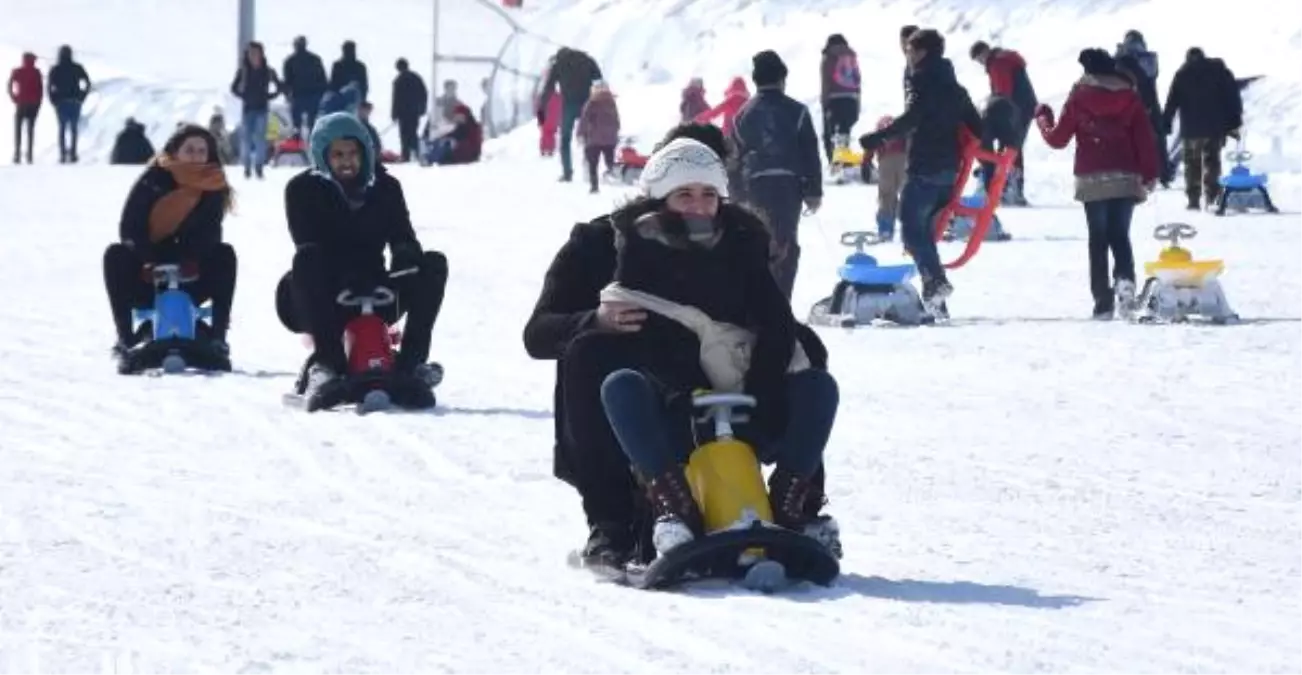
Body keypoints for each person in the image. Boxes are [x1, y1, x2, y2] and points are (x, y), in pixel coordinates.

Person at [522, 121, 836, 569]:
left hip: (728, 397)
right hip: (646, 402)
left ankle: (798, 499)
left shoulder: (736, 242)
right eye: (683, 191)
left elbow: (773, 325)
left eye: (709, 191)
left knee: (801, 344)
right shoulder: (599, 244)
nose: (698, 205)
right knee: (588, 351)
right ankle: (611, 521)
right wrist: (593, 319)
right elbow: (538, 334)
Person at [274, 112, 448, 411]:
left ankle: (411, 363)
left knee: (433, 263)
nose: (347, 161)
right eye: (338, 154)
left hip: (376, 290)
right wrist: (344, 274)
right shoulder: (302, 190)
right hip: (324, 295)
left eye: (354, 153)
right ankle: (326, 365)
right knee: (307, 258)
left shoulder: (385, 188)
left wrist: (406, 253)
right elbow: (307, 239)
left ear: (365, 152)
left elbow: (402, 234)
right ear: (323, 154)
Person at [861, 29, 981, 318]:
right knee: (925, 236)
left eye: (912, 50)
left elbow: (913, 117)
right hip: (948, 172)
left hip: (925, 167)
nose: (908, 55)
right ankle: (936, 301)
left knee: (913, 232)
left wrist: (879, 138)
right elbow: (978, 127)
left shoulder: (920, 81)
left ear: (923, 52)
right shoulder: (956, 88)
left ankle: (936, 283)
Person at [1035, 49, 1158, 320]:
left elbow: (1057, 139)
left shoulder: (1079, 96)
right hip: (1125, 174)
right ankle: (1125, 284)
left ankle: (1103, 302)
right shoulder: (1130, 96)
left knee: (1098, 240)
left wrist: (1043, 118)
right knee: (1120, 237)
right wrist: (1149, 173)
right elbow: (1144, 139)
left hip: (1092, 176)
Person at [103, 125, 237, 373]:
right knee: (115, 255)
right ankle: (126, 338)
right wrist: (149, 260)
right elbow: (131, 226)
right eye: (189, 150)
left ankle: (218, 338)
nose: (196, 156)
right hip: (147, 274)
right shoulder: (154, 178)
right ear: (176, 152)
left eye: (201, 151)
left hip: (191, 274)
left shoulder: (213, 184)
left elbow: (211, 233)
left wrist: (191, 259)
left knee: (224, 254)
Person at [730, 50, 823, 300]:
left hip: (753, 186)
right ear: (783, 79)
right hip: (787, 186)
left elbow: (734, 158)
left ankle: (757, 299)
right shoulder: (798, 111)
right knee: (785, 243)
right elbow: (809, 151)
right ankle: (781, 299)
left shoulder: (742, 115)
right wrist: (814, 191)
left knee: (755, 242)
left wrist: (734, 195)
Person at [1162, 48, 1242, 211]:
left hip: (1191, 129)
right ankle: (1212, 195)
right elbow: (1232, 97)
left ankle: (1193, 199)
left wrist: (1166, 122)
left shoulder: (1182, 74)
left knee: (1191, 164)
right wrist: (1234, 121)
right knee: (1212, 162)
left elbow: (1172, 101)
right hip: (1214, 128)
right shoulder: (1219, 72)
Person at [969, 41, 1037, 205]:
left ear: (984, 52)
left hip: (1013, 108)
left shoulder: (997, 63)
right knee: (1013, 147)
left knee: (1007, 147)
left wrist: (991, 109)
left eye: (979, 59)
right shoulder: (1004, 59)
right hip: (1024, 107)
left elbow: (1002, 91)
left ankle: (1004, 187)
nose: (981, 63)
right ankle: (1012, 187)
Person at [537, 47, 604, 183]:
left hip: (569, 104)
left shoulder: (559, 64)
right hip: (587, 103)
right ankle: (591, 171)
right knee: (589, 138)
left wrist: (542, 106)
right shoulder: (588, 60)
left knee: (565, 139)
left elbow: (549, 87)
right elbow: (599, 81)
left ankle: (567, 173)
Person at [229, 41, 282, 179]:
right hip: (248, 109)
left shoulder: (267, 71)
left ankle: (259, 167)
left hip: (262, 108)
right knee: (246, 139)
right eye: (251, 53)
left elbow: (279, 85)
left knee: (260, 139)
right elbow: (233, 88)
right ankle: (246, 167)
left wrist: (270, 96)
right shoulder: (244, 71)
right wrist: (244, 96)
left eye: (255, 52)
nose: (253, 55)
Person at [819, 34, 861, 163]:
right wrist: (857, 102)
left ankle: (835, 163)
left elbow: (825, 81)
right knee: (844, 132)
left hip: (834, 99)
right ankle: (844, 161)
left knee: (829, 134)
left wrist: (824, 101)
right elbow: (858, 80)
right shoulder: (851, 56)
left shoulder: (828, 57)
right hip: (851, 99)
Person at [46, 45, 91, 163]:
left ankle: (62, 155)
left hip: (61, 102)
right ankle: (73, 154)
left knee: (62, 129)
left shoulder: (56, 69)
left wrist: (53, 100)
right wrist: (82, 96)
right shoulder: (77, 68)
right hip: (75, 101)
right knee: (74, 129)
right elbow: (87, 82)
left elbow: (50, 86)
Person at [576, 81, 620, 193]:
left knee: (593, 164)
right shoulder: (611, 102)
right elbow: (616, 120)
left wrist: (580, 134)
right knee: (610, 160)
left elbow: (584, 120)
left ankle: (594, 186)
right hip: (610, 139)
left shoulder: (592, 103)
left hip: (593, 139)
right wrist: (615, 133)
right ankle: (614, 175)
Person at [282, 36, 329, 138]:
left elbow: (287, 81)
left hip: (299, 96)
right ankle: (309, 145)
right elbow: (323, 79)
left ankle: (298, 145)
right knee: (311, 124)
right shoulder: (314, 59)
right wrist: (322, 94)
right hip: (311, 96)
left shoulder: (290, 61)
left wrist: (287, 96)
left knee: (297, 126)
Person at [391, 58, 429, 162]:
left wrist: (394, 114)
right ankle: (417, 153)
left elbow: (396, 99)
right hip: (414, 112)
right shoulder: (416, 78)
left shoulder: (398, 80)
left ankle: (406, 155)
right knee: (413, 133)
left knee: (404, 134)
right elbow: (424, 94)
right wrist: (422, 108)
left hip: (404, 113)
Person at [9, 52, 42, 164]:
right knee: (30, 131)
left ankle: (17, 154)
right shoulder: (37, 72)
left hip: (21, 103)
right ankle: (30, 155)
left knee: (18, 129)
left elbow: (9, 84)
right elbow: (40, 90)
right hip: (33, 105)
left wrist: (13, 97)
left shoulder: (18, 71)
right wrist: (38, 104)